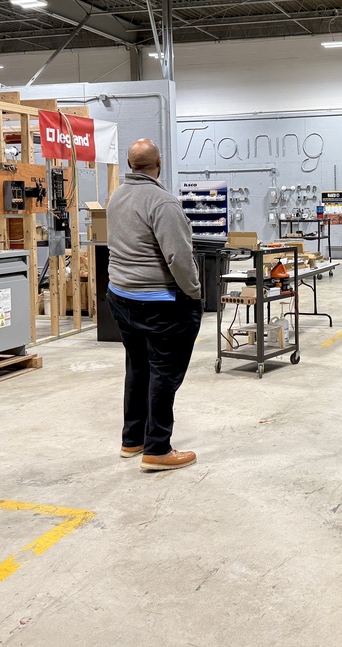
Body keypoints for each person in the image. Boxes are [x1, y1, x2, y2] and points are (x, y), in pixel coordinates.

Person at [106, 139, 203, 472]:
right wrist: (194, 293)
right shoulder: (163, 203)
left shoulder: (116, 197)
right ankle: (157, 448)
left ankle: (132, 439)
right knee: (164, 371)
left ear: (130, 164)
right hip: (159, 303)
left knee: (138, 366)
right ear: (158, 163)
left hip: (120, 296)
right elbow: (178, 258)